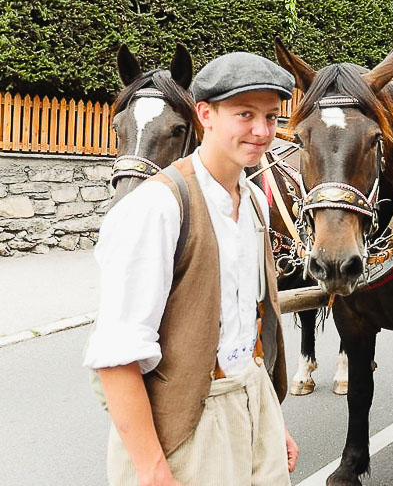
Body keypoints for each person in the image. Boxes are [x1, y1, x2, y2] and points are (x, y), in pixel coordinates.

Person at [84, 52, 299, 485]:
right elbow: (116, 355)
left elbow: (245, 329)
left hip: (252, 406)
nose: (261, 131)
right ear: (205, 115)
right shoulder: (157, 207)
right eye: (244, 114)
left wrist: (271, 422)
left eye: (272, 117)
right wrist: (151, 469)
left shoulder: (255, 201)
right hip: (188, 428)